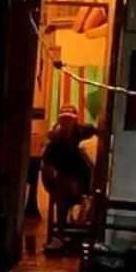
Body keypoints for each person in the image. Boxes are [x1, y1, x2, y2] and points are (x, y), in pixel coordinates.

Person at [40, 105, 97, 252]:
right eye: (64, 120)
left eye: (69, 119)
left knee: (85, 198)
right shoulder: (55, 141)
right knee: (62, 194)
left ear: (75, 120)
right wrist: (55, 180)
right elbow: (47, 165)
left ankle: (71, 235)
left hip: (83, 180)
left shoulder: (85, 133)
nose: (67, 123)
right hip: (63, 183)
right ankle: (61, 234)